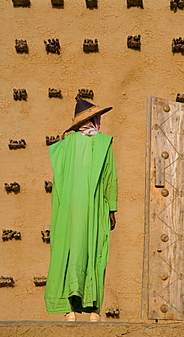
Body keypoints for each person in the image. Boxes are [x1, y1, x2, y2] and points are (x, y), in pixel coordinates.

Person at [44, 99, 118, 322]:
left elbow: (59, 182)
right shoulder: (104, 143)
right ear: (92, 120)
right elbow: (109, 179)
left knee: (66, 250)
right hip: (94, 209)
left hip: (68, 209)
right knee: (94, 251)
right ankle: (93, 310)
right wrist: (112, 209)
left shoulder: (64, 145)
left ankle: (69, 311)